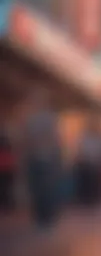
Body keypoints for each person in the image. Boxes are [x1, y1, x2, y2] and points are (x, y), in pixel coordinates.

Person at [23, 91, 63, 228]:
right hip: (36, 157)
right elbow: (28, 138)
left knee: (45, 188)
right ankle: (41, 216)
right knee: (38, 188)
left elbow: (52, 138)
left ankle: (47, 216)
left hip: (45, 157)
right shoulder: (31, 118)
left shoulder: (48, 118)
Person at [74, 116, 101, 208]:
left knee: (93, 172)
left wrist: (99, 160)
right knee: (82, 170)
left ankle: (93, 198)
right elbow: (80, 151)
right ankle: (85, 197)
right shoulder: (85, 136)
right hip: (86, 163)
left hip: (97, 163)